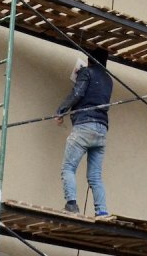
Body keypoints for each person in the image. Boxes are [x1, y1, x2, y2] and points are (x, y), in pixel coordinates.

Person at [55, 47, 114, 219]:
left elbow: (78, 93)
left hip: (84, 125)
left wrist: (61, 111)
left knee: (68, 168)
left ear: (89, 60)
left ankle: (71, 205)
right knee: (95, 176)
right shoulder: (109, 80)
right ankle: (102, 211)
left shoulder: (87, 73)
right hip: (102, 129)